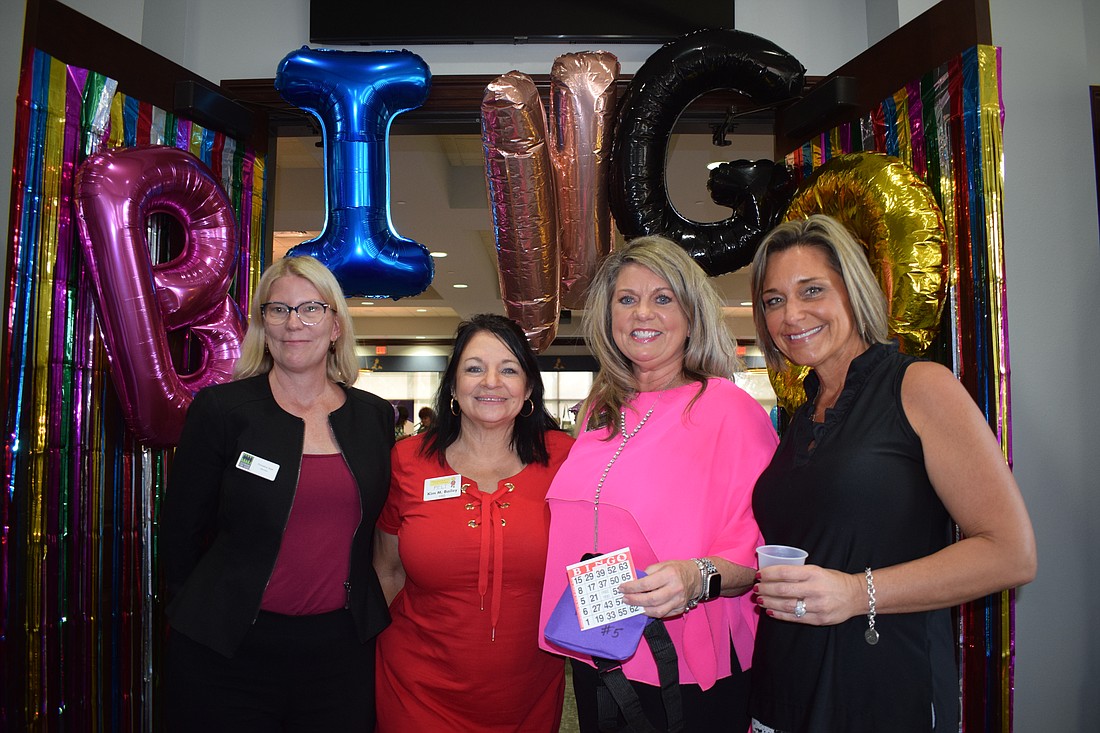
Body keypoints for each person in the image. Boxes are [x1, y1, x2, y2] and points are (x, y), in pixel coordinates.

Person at [747, 214, 1037, 733]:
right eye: (773, 300)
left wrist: (856, 592)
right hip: (789, 683)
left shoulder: (920, 385)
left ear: (853, 290)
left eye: (812, 290)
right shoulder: (802, 415)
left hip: (885, 687)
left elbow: (1010, 553)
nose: (791, 314)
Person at [539, 236, 780, 732]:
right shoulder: (599, 409)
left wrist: (696, 576)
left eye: (663, 298)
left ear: (691, 315)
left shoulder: (728, 409)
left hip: (685, 664)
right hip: (598, 648)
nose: (642, 313)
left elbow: (762, 547)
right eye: (627, 299)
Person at [161, 255, 394, 732]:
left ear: (335, 326)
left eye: (311, 309)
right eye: (278, 309)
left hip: (339, 653)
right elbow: (181, 532)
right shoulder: (222, 410)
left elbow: (380, 530)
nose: (294, 323)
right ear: (262, 325)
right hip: (229, 649)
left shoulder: (372, 417)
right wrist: (196, 617)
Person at [373, 313, 575, 732]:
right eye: (474, 368)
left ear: (529, 388)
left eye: (509, 370)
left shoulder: (566, 459)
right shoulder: (408, 460)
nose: (491, 382)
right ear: (452, 385)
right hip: (415, 689)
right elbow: (387, 569)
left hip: (529, 694)